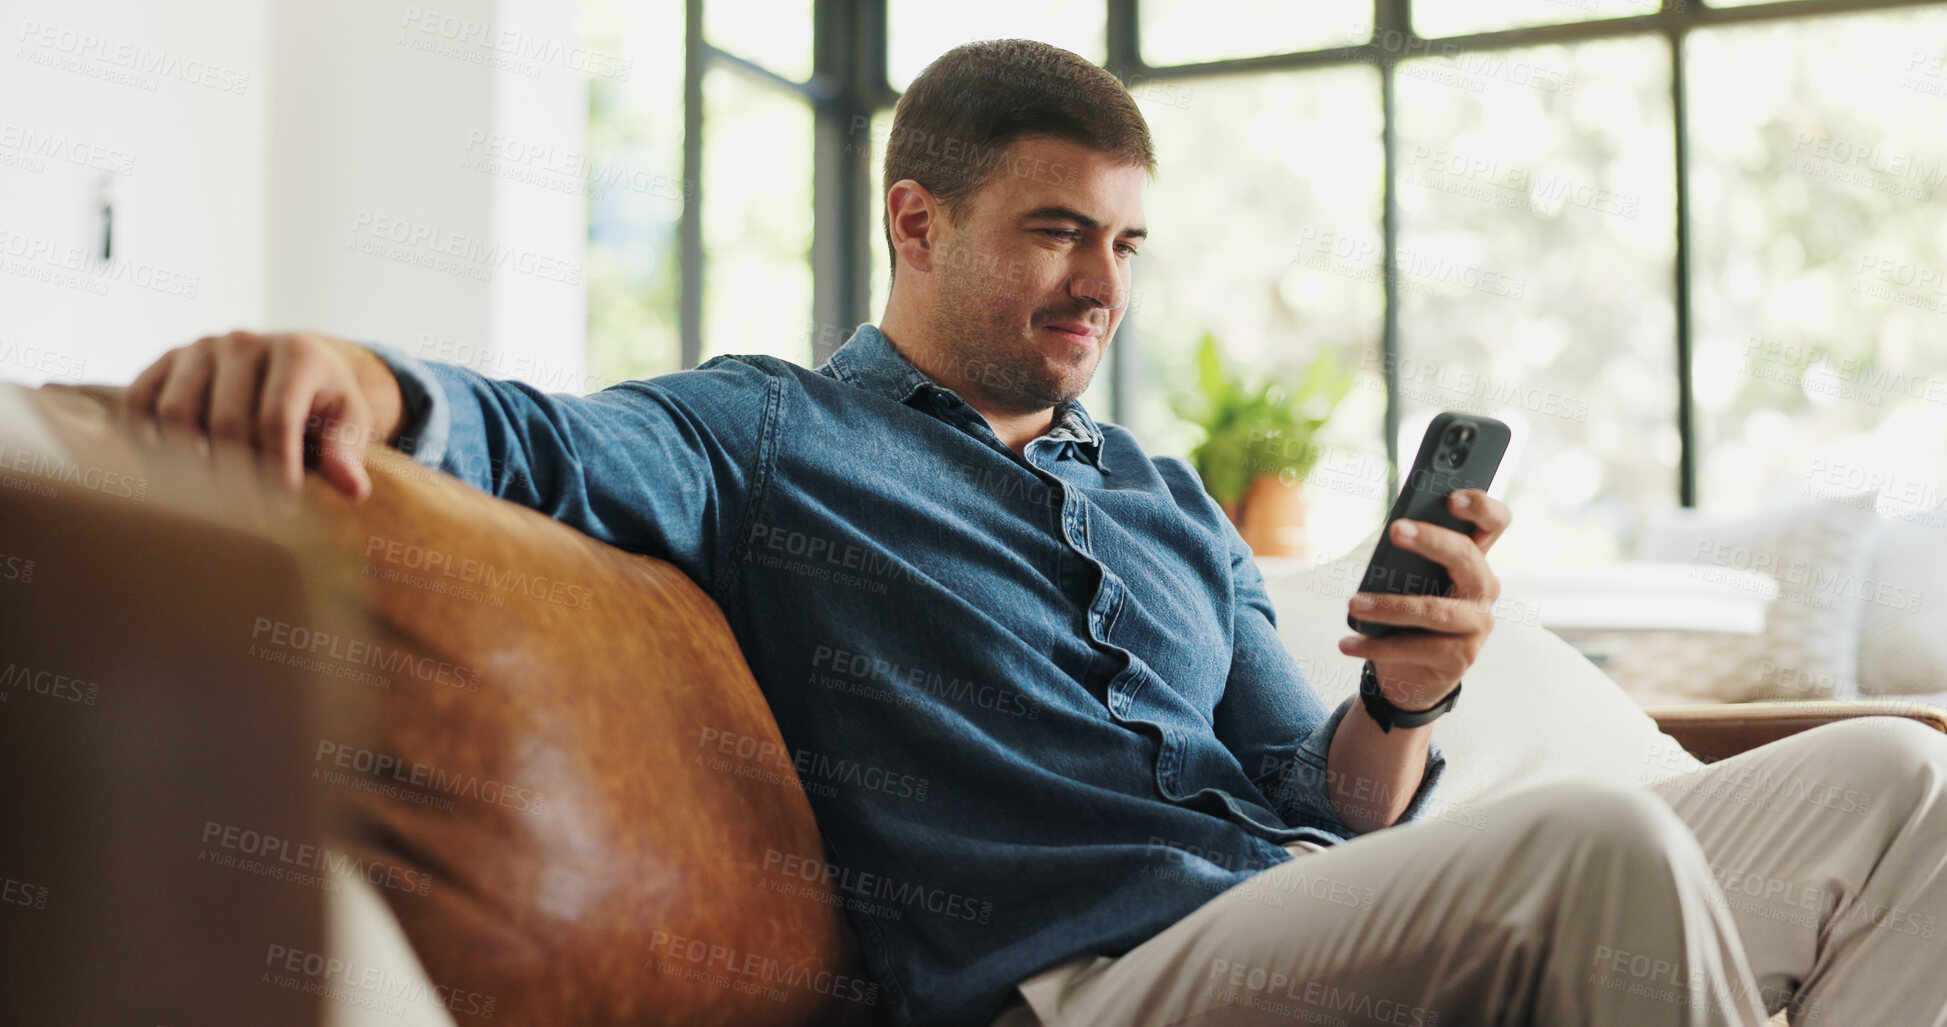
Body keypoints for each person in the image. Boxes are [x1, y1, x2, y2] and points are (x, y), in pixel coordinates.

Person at [123, 38, 1947, 1027]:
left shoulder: (1160, 498)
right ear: (918, 224)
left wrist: (1400, 700)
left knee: (1895, 782)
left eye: (1128, 247)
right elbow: (548, 438)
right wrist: (360, 373)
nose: (1103, 290)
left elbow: (1315, 794)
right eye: (1059, 234)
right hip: (1089, 977)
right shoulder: (770, 430)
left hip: (1293, 906)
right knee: (1600, 853)